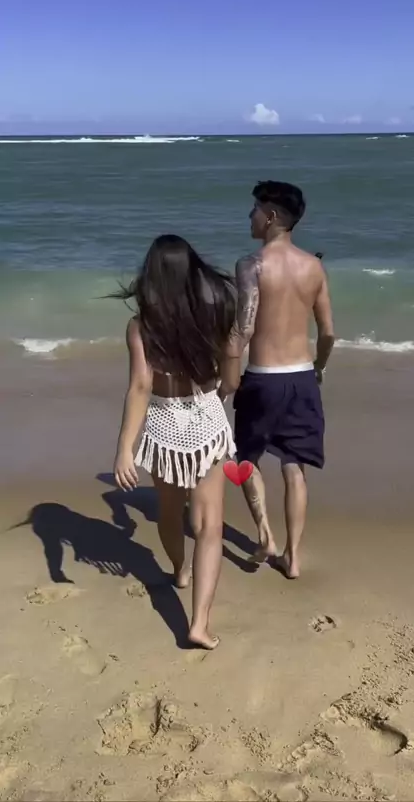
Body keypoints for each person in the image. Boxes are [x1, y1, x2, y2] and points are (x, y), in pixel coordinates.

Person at [112, 235, 237, 649]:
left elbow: (140, 387)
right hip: (206, 423)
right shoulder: (214, 314)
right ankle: (198, 624)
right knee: (209, 526)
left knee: (169, 512)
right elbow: (230, 377)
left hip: (165, 426)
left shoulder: (141, 326)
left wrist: (124, 449)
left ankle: (180, 570)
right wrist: (221, 389)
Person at [231, 181, 335, 579]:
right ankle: (293, 557)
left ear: (271, 216)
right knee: (294, 466)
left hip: (262, 380)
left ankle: (265, 536)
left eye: (255, 209)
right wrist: (319, 366)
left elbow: (243, 330)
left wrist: (224, 378)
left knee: (246, 457)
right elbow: (328, 333)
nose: (250, 216)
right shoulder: (314, 267)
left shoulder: (251, 264)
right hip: (302, 378)